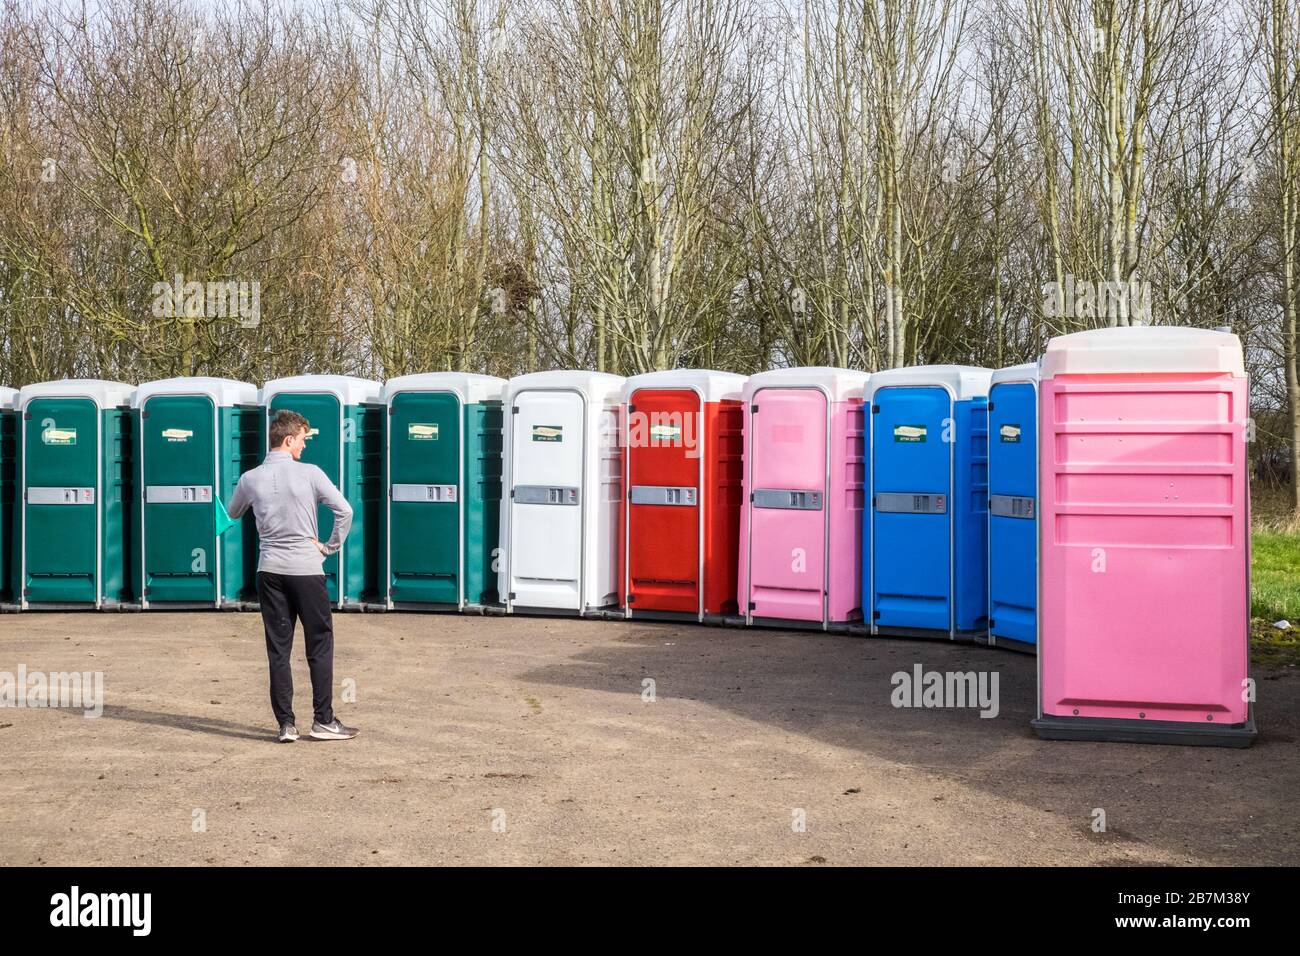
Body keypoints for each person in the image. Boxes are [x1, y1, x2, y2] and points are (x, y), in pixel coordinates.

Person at [227, 409, 359, 743]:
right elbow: (345, 511)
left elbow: (228, 515)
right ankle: (323, 720)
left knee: (278, 649)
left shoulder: (249, 478)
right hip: (306, 570)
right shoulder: (311, 474)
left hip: (269, 571)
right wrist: (329, 547)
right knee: (319, 644)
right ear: (289, 439)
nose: (303, 446)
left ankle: (286, 725)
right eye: (302, 439)